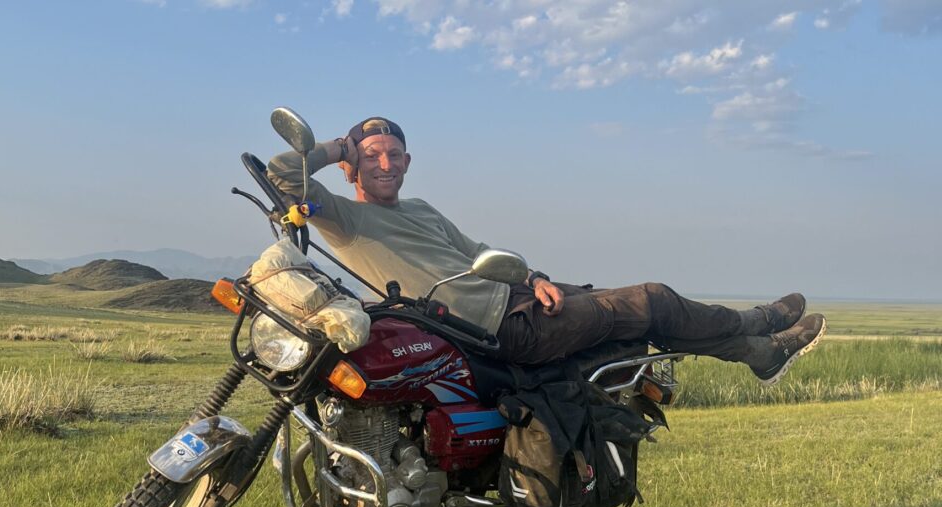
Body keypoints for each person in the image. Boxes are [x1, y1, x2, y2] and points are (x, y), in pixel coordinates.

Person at [266, 117, 826, 385]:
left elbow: (480, 249)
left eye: (394, 154)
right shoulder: (343, 218)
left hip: (520, 301)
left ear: (409, 163)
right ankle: (761, 328)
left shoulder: (423, 211)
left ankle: (760, 350)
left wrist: (533, 276)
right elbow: (281, 172)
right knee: (652, 299)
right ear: (351, 165)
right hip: (496, 330)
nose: (384, 163)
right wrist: (339, 144)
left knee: (641, 314)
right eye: (371, 154)